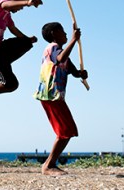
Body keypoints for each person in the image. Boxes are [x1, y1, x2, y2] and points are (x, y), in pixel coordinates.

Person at [34, 22, 88, 175]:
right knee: (66, 130)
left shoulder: (61, 51)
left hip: (56, 96)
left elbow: (72, 70)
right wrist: (73, 40)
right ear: (53, 34)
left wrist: (81, 74)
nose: (65, 34)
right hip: (50, 94)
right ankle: (48, 165)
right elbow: (59, 59)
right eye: (62, 32)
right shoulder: (51, 48)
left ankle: (50, 164)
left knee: (68, 129)